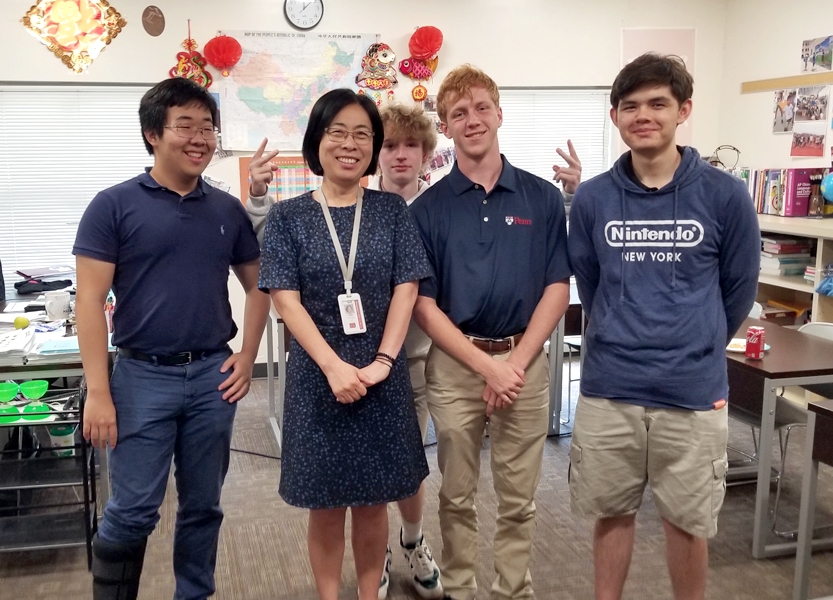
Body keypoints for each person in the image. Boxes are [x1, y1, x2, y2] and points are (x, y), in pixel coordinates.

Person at [567, 53, 760, 600]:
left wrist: (695, 342)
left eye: (658, 103)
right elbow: (590, 282)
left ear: (684, 110)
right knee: (610, 515)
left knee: (688, 522)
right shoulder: (595, 198)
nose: (643, 115)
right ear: (615, 116)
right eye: (630, 106)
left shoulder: (725, 196)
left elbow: (738, 289)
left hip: (692, 392)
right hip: (610, 388)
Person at [73, 77, 270, 600]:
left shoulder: (227, 210)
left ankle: (194, 594)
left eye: (208, 127)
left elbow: (259, 288)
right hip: (141, 377)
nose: (199, 138)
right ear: (152, 134)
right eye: (185, 125)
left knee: (204, 504)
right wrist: (97, 390)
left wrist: (247, 356)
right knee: (132, 510)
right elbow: (88, 301)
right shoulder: (112, 206)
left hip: (212, 376)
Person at [410, 64, 580, 600]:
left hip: (524, 365)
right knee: (456, 496)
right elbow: (424, 305)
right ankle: (459, 588)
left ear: (500, 114)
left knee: (518, 497)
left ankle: (513, 591)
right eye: (458, 113)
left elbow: (558, 287)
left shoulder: (542, 199)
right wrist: (486, 367)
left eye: (482, 107)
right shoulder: (428, 209)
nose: (473, 119)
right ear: (447, 127)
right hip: (457, 367)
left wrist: (513, 364)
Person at [257, 88, 431, 600]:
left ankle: (368, 594)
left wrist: (382, 360)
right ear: (317, 140)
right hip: (318, 377)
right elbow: (285, 301)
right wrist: (334, 367)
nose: (350, 144)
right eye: (338, 132)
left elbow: (408, 288)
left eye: (363, 134)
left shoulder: (391, 212)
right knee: (326, 504)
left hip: (382, 378)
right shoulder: (289, 217)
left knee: (375, 503)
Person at [368, 103, 443, 600]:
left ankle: (412, 541)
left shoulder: (441, 212)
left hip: (415, 364)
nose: (399, 155)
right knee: (366, 469)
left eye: (410, 145)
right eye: (389, 145)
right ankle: (374, 557)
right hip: (356, 366)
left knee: (409, 463)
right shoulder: (356, 207)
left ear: (426, 154)